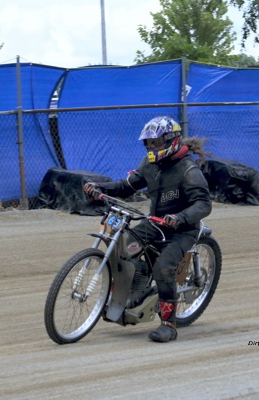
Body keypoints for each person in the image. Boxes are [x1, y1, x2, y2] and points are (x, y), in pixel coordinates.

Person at [83, 116, 212, 343]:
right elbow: (126, 186)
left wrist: (179, 218)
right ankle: (135, 291)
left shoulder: (188, 169)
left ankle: (169, 325)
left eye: (156, 142)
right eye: (148, 143)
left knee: (163, 267)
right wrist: (100, 187)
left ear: (171, 139)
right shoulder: (149, 164)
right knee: (123, 245)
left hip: (182, 230)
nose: (151, 147)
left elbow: (203, 204)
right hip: (154, 222)